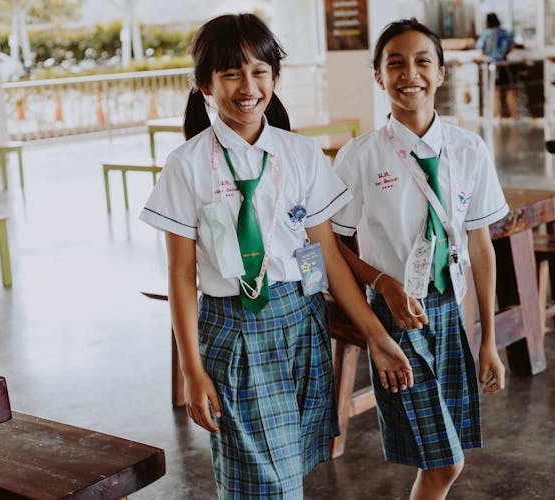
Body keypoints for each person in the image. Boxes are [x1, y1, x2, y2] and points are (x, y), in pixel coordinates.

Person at [139, 13, 412, 499]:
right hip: (234, 328)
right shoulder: (186, 165)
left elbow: (325, 253)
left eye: (260, 71)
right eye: (231, 73)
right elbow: (181, 275)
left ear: (275, 78)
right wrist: (190, 369)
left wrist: (375, 335)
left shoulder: (300, 155)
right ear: (205, 84)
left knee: (288, 472)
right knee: (261, 483)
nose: (248, 86)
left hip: (302, 327)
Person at [331, 18, 508, 500]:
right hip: (393, 320)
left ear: (442, 73)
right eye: (395, 64)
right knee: (445, 461)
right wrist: (383, 282)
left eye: (423, 61)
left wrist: (487, 340)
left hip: (449, 310)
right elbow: (332, 247)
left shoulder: (469, 150)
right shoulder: (359, 157)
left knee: (444, 456)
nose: (411, 74)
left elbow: (480, 246)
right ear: (379, 77)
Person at [476, 12, 518, 120]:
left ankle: (498, 116)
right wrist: (504, 53)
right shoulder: (504, 32)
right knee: (510, 90)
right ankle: (514, 116)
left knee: (496, 92)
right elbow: (513, 45)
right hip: (504, 64)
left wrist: (491, 54)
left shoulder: (485, 34)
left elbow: (481, 51)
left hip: (491, 66)